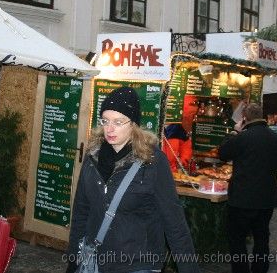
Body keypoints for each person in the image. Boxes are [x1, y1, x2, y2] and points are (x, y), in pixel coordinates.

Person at [66, 87, 199, 273]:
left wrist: (189, 268)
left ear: (133, 124)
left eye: (118, 122)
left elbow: (174, 221)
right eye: (105, 121)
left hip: (137, 263)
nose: (110, 128)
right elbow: (81, 210)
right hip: (95, 261)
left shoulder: (153, 161)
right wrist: (74, 258)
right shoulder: (92, 157)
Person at [218, 102, 277, 273]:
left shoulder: (243, 137)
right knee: (262, 240)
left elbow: (223, 153)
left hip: (242, 200)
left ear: (244, 118)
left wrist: (234, 132)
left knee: (237, 240)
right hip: (266, 200)